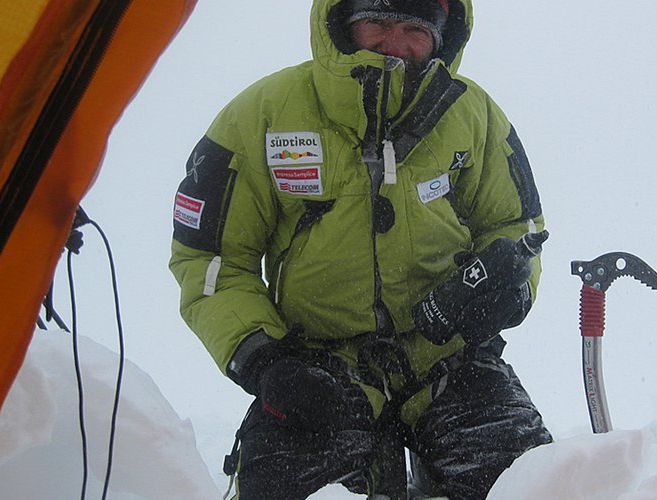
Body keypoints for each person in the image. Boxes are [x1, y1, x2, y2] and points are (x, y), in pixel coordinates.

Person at [170, 0, 551, 498]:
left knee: (538, 484)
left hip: (451, 357)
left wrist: (510, 286)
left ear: (442, 34)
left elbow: (515, 224)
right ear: (341, 23)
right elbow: (211, 258)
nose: (395, 43)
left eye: (414, 27)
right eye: (378, 21)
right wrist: (264, 359)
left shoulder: (474, 115)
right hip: (313, 365)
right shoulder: (261, 115)